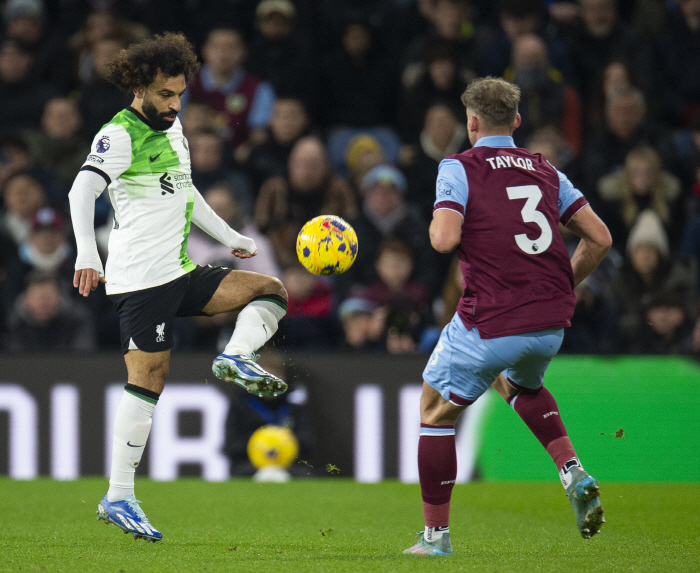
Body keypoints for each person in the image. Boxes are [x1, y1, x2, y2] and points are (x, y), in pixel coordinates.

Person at [68, 32, 289, 543]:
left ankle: (235, 356)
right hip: (142, 278)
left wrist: (231, 236)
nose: (176, 104)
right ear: (141, 88)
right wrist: (86, 252)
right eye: (167, 95)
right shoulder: (119, 133)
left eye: (181, 94)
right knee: (149, 379)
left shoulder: (173, 126)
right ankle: (119, 495)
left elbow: (185, 188)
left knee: (270, 290)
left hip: (179, 267)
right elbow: (83, 189)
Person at [404, 77, 612, 556]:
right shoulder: (547, 171)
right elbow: (599, 238)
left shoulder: (458, 166)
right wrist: (564, 283)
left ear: (471, 122)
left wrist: (443, 215)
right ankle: (572, 470)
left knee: (435, 412)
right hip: (551, 322)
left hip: (493, 316)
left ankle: (435, 538)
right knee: (517, 383)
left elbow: (443, 239)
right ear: (516, 120)